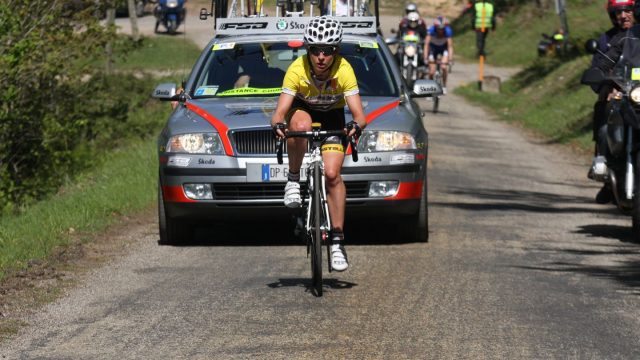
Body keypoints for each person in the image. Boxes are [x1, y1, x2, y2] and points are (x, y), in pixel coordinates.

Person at [271, 16, 366, 272]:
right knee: (299, 127)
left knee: (333, 175)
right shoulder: (296, 69)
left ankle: (336, 241)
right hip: (304, 112)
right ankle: (293, 180)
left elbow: (359, 114)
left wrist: (356, 125)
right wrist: (279, 124)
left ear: (336, 51)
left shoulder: (344, 69)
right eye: (315, 50)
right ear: (307, 50)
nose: (321, 56)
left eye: (328, 50)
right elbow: (280, 112)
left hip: (333, 117)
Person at [589, 0, 636, 203]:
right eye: (618, 12)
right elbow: (601, 65)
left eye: (628, 10)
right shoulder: (610, 40)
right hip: (622, 96)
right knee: (604, 111)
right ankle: (607, 170)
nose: (623, 15)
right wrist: (606, 86)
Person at [424, 16, 454, 94]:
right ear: (435, 27)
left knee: (444, 67)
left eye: (442, 28)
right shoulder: (431, 30)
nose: (440, 30)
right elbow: (426, 44)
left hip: (443, 48)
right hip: (433, 49)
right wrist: (425, 58)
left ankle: (444, 86)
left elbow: (450, 46)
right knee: (431, 72)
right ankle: (429, 89)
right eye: (438, 28)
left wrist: (450, 60)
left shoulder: (448, 31)